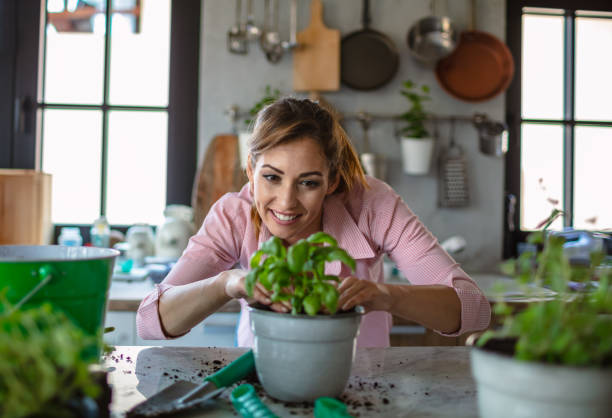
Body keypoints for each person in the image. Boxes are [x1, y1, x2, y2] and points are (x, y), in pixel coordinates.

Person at [136, 97, 491, 347]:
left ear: (332, 182)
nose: (286, 202)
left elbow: (473, 310)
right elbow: (150, 321)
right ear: (250, 171)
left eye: (308, 183)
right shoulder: (234, 213)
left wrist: (385, 295)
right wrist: (226, 283)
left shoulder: (372, 203)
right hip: (261, 385)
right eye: (272, 178)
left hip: (363, 389)